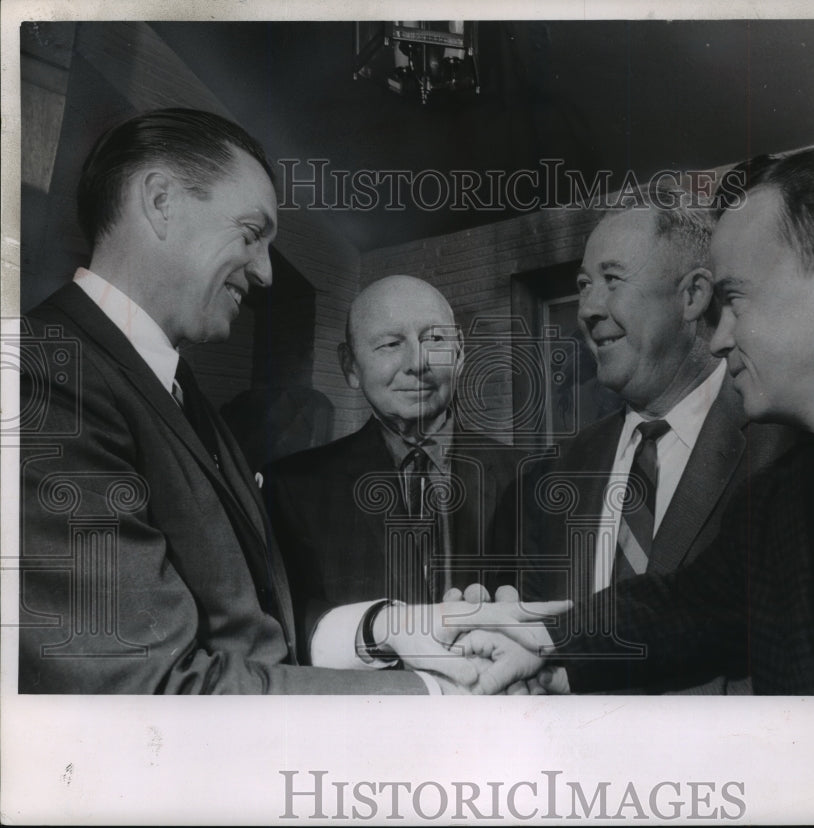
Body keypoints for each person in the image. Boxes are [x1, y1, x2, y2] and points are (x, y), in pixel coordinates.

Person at [18, 108, 533, 694]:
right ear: (161, 202)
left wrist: (385, 626)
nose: (265, 273)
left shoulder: (178, 393)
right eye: (250, 234)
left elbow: (250, 624)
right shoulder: (42, 378)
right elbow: (154, 687)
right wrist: (435, 696)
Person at [455, 144, 814, 696]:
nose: (720, 334)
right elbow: (679, 608)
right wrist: (540, 643)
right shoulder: (776, 503)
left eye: (735, 300)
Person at [515, 203, 789, 693]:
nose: (588, 309)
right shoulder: (560, 470)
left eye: (613, 279)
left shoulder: (780, 446)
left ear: (692, 296)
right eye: (582, 285)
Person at [264, 275, 525, 658]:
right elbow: (286, 626)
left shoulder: (530, 476)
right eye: (389, 344)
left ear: (460, 352)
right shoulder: (292, 489)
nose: (417, 363)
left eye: (435, 340)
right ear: (350, 365)